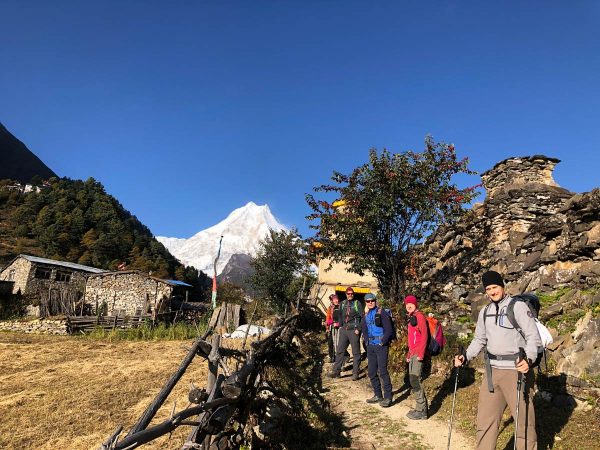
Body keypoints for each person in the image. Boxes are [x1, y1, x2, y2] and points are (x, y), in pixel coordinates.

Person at [454, 271, 541, 450]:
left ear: (502, 286)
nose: (492, 292)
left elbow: (533, 336)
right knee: (485, 421)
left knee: (523, 422)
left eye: (495, 287)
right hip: (492, 372)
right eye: (488, 289)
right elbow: (479, 340)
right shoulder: (485, 312)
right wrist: (466, 357)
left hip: (516, 371)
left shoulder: (517, 307)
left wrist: (529, 359)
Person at [361, 293, 393, 407]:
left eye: (372, 300)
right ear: (365, 303)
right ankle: (378, 395)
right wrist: (366, 341)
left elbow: (389, 330)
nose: (370, 303)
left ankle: (388, 397)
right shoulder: (366, 314)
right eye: (368, 301)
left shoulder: (382, 312)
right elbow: (363, 328)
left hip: (381, 346)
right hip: (370, 346)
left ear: (375, 301)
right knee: (372, 372)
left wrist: (382, 341)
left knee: (383, 371)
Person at [328, 287, 363, 380]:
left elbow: (362, 317)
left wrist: (358, 329)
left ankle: (355, 373)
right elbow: (340, 315)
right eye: (348, 293)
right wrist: (340, 325)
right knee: (339, 351)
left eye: (351, 293)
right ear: (346, 294)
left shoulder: (357, 303)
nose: (350, 295)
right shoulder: (343, 303)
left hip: (353, 330)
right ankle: (336, 372)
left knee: (356, 353)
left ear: (353, 294)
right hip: (344, 330)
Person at [404, 294, 429, 420]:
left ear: (415, 305)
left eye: (411, 304)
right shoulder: (411, 317)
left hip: (418, 353)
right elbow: (411, 339)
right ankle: (420, 408)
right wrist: (409, 353)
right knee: (412, 379)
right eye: (407, 304)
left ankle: (422, 410)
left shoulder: (419, 316)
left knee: (415, 379)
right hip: (413, 353)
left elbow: (424, 335)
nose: (409, 306)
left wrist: (421, 353)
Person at [325, 294, 341, 363]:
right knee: (330, 342)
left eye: (336, 299)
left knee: (339, 343)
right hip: (332, 327)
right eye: (333, 299)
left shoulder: (341, 307)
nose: (335, 301)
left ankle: (344, 356)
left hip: (340, 327)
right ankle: (332, 357)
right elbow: (328, 318)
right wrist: (327, 327)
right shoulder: (330, 308)